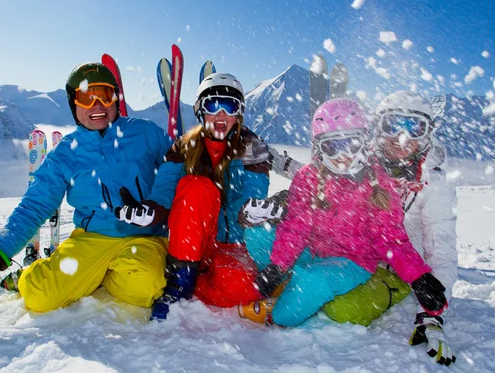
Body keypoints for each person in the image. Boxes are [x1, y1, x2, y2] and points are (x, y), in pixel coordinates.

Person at [0, 62, 173, 313]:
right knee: (40, 298)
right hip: (91, 240)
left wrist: (156, 205)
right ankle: (25, 278)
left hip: (144, 238)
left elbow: (176, 165)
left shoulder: (145, 133)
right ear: (74, 104)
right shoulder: (65, 153)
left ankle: (97, 278)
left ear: (116, 99)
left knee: (146, 287)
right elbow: (36, 204)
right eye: (86, 97)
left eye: (104, 95)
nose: (97, 105)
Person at [238, 98, 448, 333]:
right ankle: (293, 280)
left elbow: (390, 238)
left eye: (351, 144)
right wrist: (278, 266)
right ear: (320, 148)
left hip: (351, 261)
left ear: (365, 141)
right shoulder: (309, 177)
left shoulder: (378, 183)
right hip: (314, 250)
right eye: (332, 147)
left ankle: (295, 292)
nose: (342, 156)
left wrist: (418, 276)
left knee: (288, 312)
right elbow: (297, 225)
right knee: (257, 235)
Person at [114, 73, 280, 320]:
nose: (221, 115)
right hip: (191, 242)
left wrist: (251, 211)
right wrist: (152, 209)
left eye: (230, 106)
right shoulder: (184, 146)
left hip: (232, 244)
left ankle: (198, 281)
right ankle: (181, 280)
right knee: (198, 186)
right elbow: (166, 187)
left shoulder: (252, 147)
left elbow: (252, 195)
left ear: (239, 113)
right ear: (201, 110)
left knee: (240, 290)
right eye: (214, 105)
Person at [322, 90, 458, 366]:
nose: (402, 137)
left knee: (343, 309)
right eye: (393, 125)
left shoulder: (433, 185)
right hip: (354, 254)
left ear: (427, 134)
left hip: (401, 269)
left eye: (414, 128)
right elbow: (323, 184)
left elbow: (440, 247)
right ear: (377, 127)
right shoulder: (362, 162)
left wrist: (431, 314)